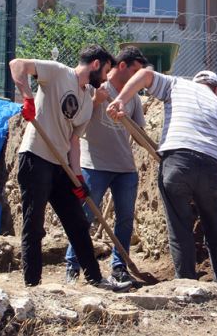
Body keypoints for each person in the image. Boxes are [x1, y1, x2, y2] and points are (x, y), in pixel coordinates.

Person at [9, 45, 131, 291]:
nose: (107, 78)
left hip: (61, 166)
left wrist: (77, 177)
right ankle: (33, 284)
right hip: (35, 156)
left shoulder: (87, 99)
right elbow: (17, 65)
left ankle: (95, 278)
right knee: (34, 223)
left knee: (77, 222)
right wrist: (27, 96)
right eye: (106, 70)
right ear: (95, 64)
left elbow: (73, 141)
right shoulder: (57, 72)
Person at [106, 69, 217, 288]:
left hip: (177, 162)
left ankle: (186, 285)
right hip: (212, 168)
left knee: (180, 226)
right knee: (215, 228)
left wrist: (120, 100)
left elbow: (145, 74)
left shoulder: (178, 84)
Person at [64, 46, 149, 286]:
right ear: (122, 66)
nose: (137, 77)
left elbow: (139, 134)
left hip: (125, 168)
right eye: (135, 71)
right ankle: (73, 265)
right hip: (94, 165)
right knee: (85, 216)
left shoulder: (133, 97)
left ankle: (119, 268)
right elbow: (76, 118)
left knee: (125, 219)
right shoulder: (96, 87)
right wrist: (95, 100)